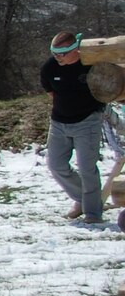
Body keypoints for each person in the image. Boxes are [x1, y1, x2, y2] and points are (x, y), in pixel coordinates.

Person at [43, 30, 105, 224]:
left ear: (75, 49)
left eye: (62, 53)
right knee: (56, 165)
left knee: (87, 168)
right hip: (59, 123)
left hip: (88, 121)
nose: (58, 58)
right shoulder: (49, 68)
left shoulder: (90, 65)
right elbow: (51, 94)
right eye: (55, 53)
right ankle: (82, 199)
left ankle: (93, 213)